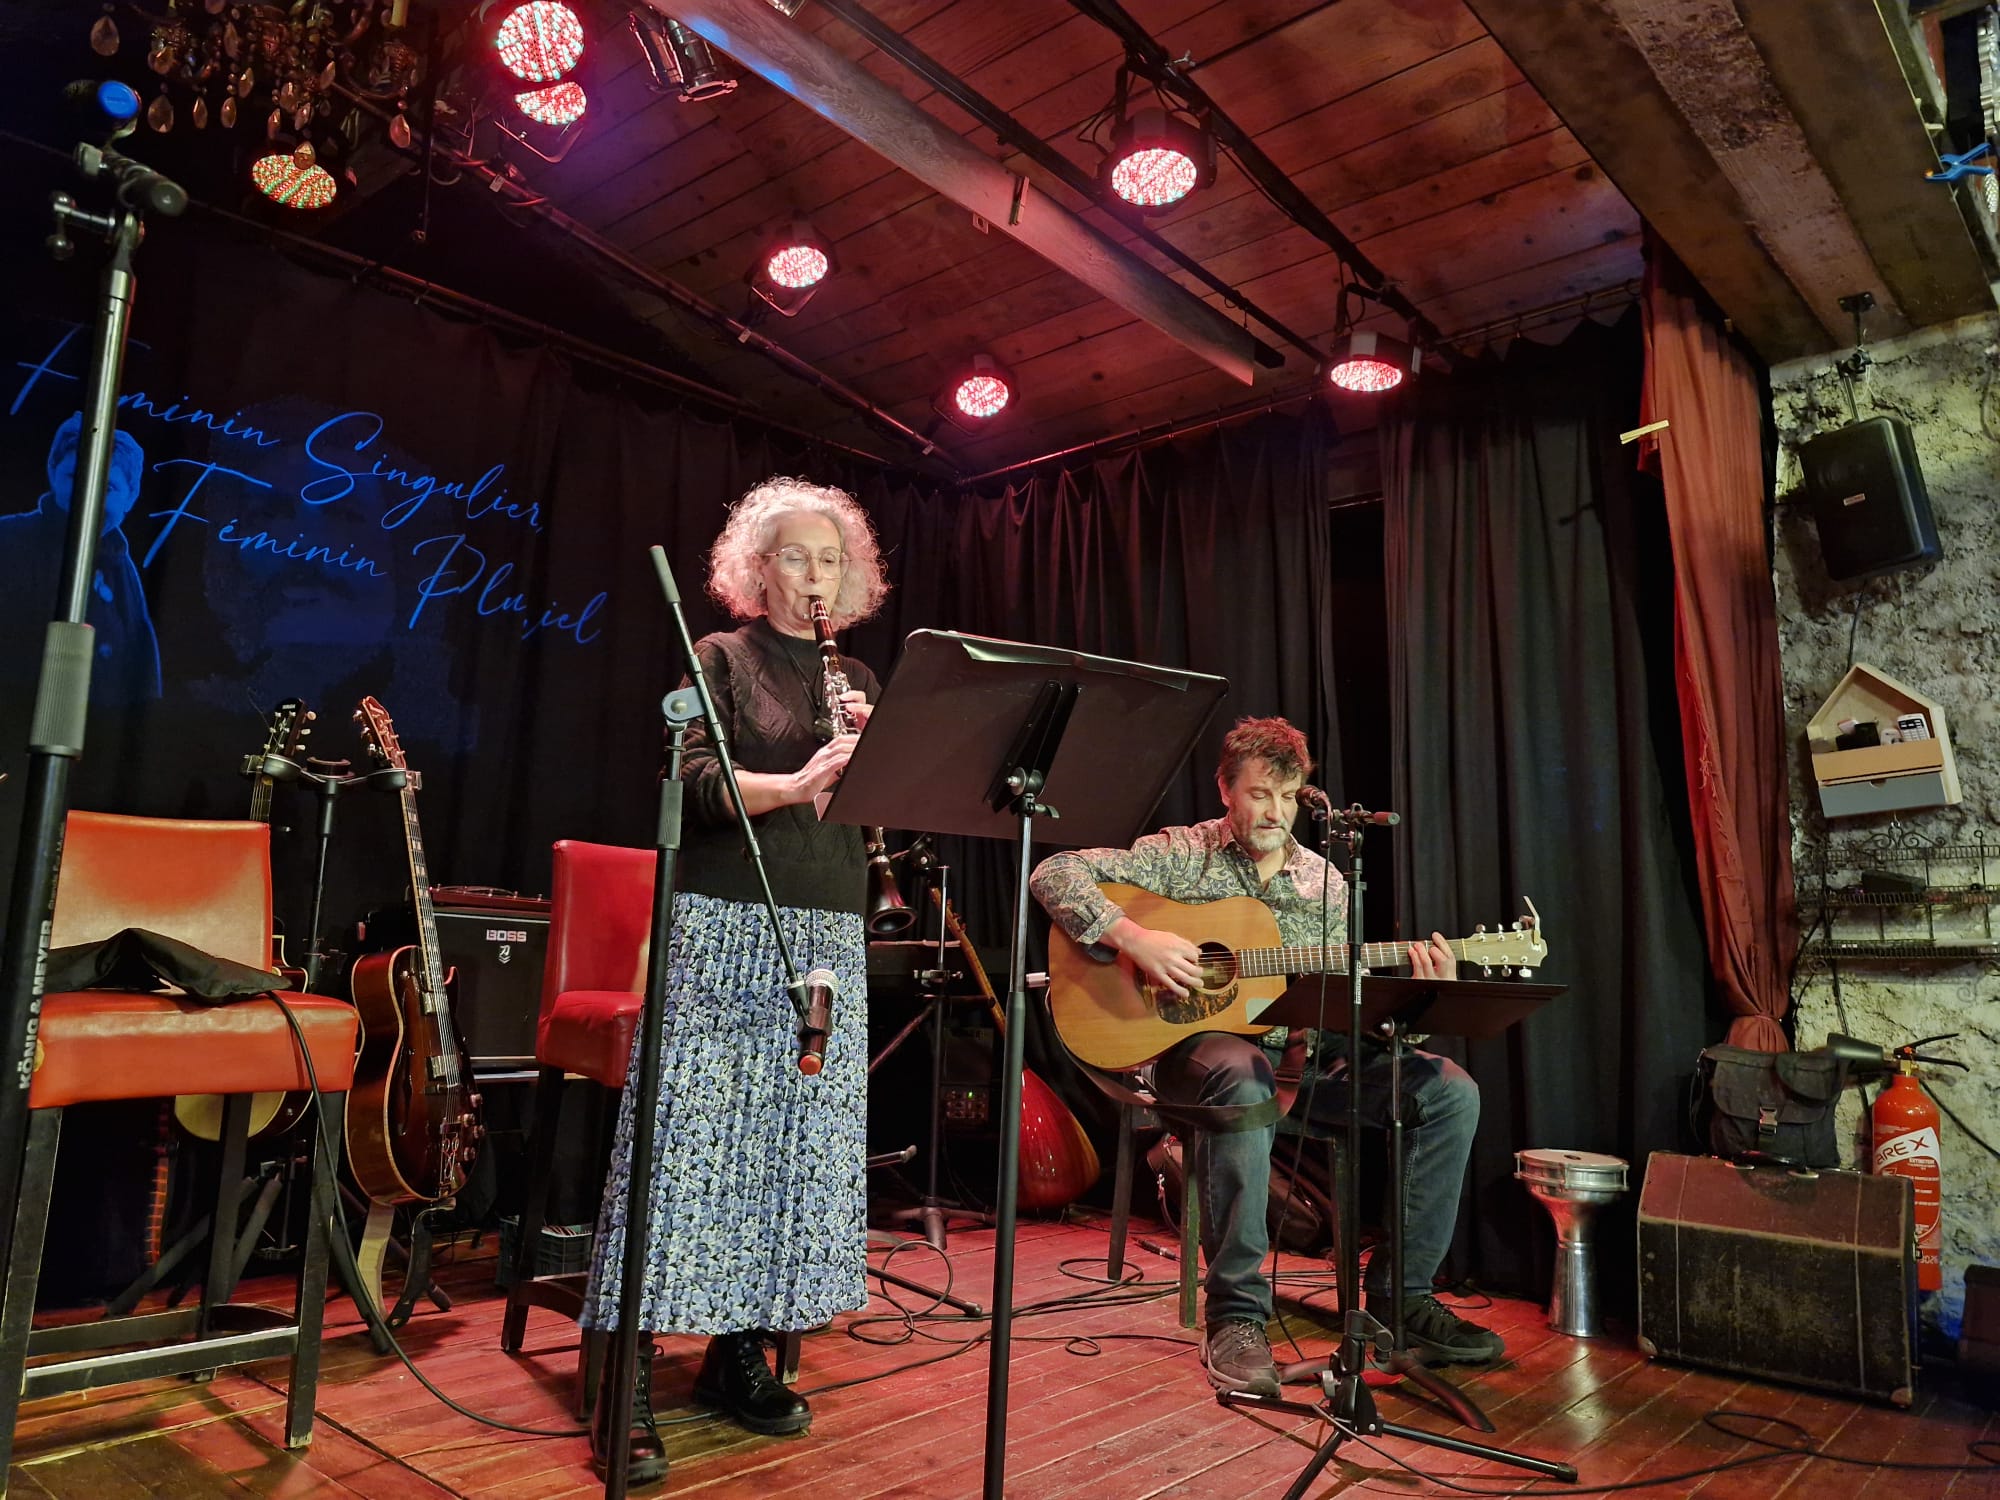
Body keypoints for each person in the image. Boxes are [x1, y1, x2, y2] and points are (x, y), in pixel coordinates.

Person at [1029, 715, 1505, 1399]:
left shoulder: (1325, 883)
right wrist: (1134, 937)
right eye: (1259, 794)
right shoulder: (1182, 853)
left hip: (1300, 1062)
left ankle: (1401, 1301)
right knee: (1240, 1071)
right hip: (1194, 1060)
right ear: (1226, 789)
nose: (1276, 812)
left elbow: (1346, 1006)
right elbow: (1055, 872)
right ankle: (1236, 1315)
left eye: (1287, 797)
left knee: (1448, 1090)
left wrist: (1419, 1003)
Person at [577, 477, 889, 1486]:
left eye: (830, 559)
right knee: (686, 1144)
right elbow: (689, 782)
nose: (814, 576)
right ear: (758, 569)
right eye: (794, 556)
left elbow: (882, 811)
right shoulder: (720, 656)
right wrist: (796, 782)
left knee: (794, 1151)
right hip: (724, 921)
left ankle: (737, 1352)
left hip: (828, 926)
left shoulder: (861, 675)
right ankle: (623, 1368)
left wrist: (880, 755)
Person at [0, 413, 161, 705]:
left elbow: (142, 658)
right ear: (53, 473)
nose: (88, 495)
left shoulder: (121, 565)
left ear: (130, 496)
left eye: (108, 487)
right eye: (75, 477)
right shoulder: (8, 538)